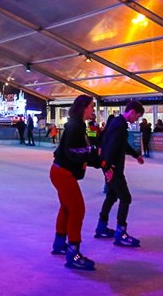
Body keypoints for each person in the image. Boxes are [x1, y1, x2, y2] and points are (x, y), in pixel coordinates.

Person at [50, 94, 101, 271]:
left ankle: (59, 243)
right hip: (63, 173)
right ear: (83, 107)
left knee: (67, 208)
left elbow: (77, 150)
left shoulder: (77, 125)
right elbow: (73, 151)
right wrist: (91, 157)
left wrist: (94, 158)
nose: (93, 110)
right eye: (91, 107)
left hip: (60, 171)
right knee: (77, 210)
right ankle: (73, 252)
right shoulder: (76, 126)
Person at [95, 100, 145, 248]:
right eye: (137, 116)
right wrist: (109, 168)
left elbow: (118, 144)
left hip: (110, 166)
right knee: (126, 198)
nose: (136, 120)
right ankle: (120, 233)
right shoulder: (119, 126)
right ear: (132, 112)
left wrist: (136, 155)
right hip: (114, 168)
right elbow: (111, 147)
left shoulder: (116, 122)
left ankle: (101, 226)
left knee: (111, 196)